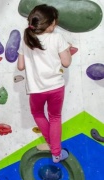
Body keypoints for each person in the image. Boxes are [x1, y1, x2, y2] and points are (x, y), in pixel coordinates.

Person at [17, 4, 72, 163]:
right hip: (56, 87)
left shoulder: (26, 38)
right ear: (49, 24)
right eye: (54, 21)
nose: (55, 24)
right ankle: (56, 152)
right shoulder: (57, 38)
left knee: (38, 114)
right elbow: (66, 63)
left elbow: (20, 66)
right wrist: (68, 50)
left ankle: (52, 145)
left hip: (36, 89)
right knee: (55, 117)